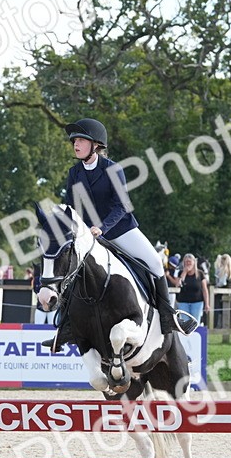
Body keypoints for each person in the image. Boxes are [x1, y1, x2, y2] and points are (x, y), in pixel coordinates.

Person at [43, 117, 194, 348]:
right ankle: (66, 327)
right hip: (90, 237)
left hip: (120, 229)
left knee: (154, 262)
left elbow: (122, 205)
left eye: (81, 140)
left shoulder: (112, 169)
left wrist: (102, 228)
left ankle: (167, 315)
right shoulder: (75, 173)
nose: (75, 144)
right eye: (74, 141)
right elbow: (70, 207)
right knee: (69, 269)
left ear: (95, 144)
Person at [172, 253, 209, 325]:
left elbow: (205, 289)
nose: (188, 264)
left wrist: (207, 303)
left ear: (194, 263)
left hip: (197, 302)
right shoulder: (180, 273)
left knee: (195, 323)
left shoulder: (200, 274)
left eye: (190, 262)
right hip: (183, 302)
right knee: (185, 323)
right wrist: (184, 273)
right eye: (186, 262)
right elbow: (178, 285)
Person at [212, 254, 231, 327]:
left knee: (218, 309)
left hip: (222, 293)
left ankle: (217, 324)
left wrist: (215, 286)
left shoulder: (223, 270)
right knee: (228, 311)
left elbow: (222, 283)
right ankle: (227, 325)